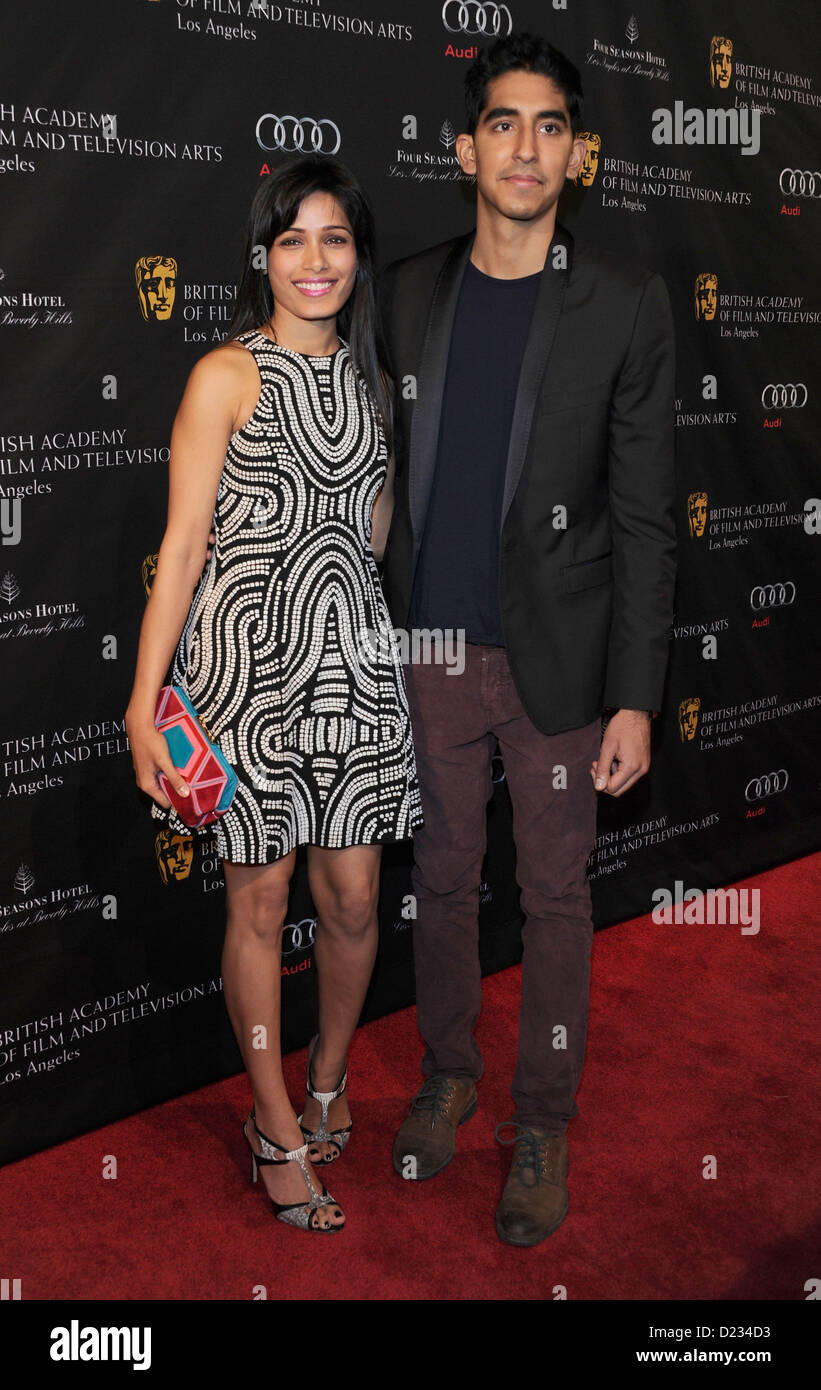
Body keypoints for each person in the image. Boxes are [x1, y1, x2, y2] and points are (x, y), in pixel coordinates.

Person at [379, 32, 677, 1246]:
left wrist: (635, 694)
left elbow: (648, 515)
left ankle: (539, 1118)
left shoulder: (624, 303)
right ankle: (448, 1069)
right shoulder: (403, 293)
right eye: (502, 122)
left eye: (548, 124)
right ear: (465, 148)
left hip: (558, 662)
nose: (524, 145)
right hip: (431, 651)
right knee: (442, 881)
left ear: (577, 154)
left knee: (552, 898)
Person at [125, 156, 423, 1234]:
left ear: (357, 255)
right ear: (264, 256)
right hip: (245, 682)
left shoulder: (373, 379)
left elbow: (376, 531)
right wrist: (143, 701)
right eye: (291, 239)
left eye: (334, 238)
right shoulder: (225, 376)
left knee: (349, 900)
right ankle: (270, 1124)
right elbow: (185, 542)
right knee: (258, 904)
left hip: (349, 679)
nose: (314, 260)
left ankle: (330, 1080)